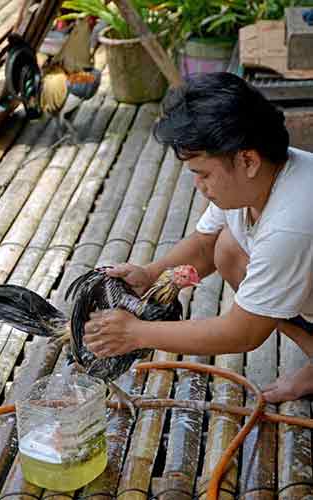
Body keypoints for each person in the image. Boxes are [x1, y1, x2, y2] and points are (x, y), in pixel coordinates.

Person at [84, 72, 313, 404]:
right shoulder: (258, 180)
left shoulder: (290, 221)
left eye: (203, 174)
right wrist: (149, 275)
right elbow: (205, 247)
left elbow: (243, 332)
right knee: (228, 248)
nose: (198, 185)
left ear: (247, 160)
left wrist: (136, 334)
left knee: (239, 263)